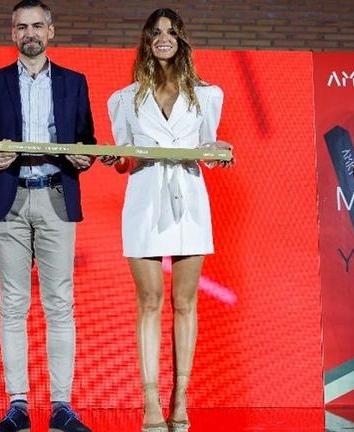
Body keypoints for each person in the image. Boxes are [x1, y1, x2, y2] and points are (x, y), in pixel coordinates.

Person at [100, 8, 232, 432]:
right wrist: (115, 159)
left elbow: (208, 151)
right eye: (156, 32)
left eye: (171, 32)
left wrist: (219, 152)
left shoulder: (207, 95)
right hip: (144, 201)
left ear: (181, 40)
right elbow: (125, 158)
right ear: (146, 40)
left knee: (185, 302)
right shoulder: (124, 99)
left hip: (189, 200)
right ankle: (150, 401)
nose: (164, 38)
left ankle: (181, 398)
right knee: (150, 301)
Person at [0, 1, 96, 431]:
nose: (30, 34)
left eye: (37, 25)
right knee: (12, 304)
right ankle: (17, 405)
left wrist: (84, 159)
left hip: (57, 197)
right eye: (22, 27)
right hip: (11, 199)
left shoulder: (75, 82)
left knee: (60, 304)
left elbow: (87, 140)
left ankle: (62, 406)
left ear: (51, 31)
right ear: (13, 34)